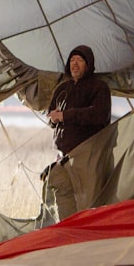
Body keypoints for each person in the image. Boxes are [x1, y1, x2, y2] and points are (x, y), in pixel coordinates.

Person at [41, 44, 111, 221]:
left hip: (87, 153)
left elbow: (99, 115)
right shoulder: (62, 89)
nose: (75, 64)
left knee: (87, 199)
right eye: (72, 60)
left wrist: (66, 115)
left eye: (79, 60)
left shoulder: (99, 87)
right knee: (57, 185)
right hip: (63, 155)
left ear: (88, 64)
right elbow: (51, 115)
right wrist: (54, 118)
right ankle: (67, 230)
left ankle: (87, 236)